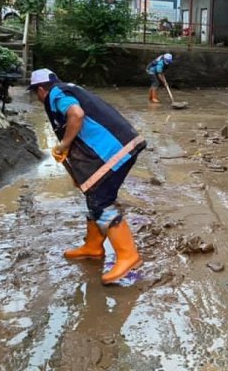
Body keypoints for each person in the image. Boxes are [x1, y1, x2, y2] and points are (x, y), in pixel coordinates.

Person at [28, 68, 147, 285]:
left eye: (35, 93)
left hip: (111, 151)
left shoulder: (55, 94)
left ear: (41, 90)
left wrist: (64, 143)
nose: (37, 98)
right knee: (93, 196)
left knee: (101, 202)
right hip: (122, 146)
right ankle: (93, 246)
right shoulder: (69, 88)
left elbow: (76, 115)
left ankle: (128, 256)